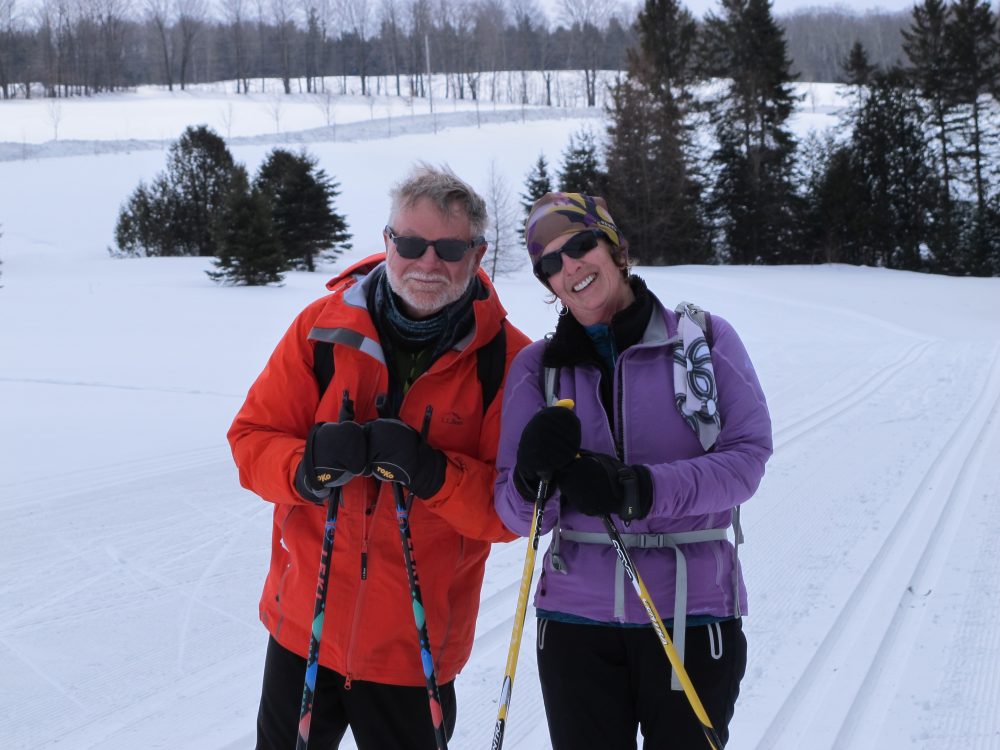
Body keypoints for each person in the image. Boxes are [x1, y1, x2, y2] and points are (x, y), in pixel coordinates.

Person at [229, 163, 529, 750]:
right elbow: (251, 440)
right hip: (304, 630)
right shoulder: (321, 331)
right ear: (388, 242)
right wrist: (305, 467)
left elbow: (511, 511)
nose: (427, 263)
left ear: (478, 253)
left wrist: (433, 473)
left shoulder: (507, 362)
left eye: (447, 248)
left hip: (414, 651)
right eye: (411, 243)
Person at [494, 192, 773, 749]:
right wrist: (532, 477)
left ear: (616, 248)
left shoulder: (701, 340)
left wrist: (640, 489)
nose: (570, 266)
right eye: (550, 262)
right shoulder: (537, 369)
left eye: (580, 244)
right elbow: (511, 508)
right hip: (576, 621)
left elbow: (747, 460)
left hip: (691, 613)